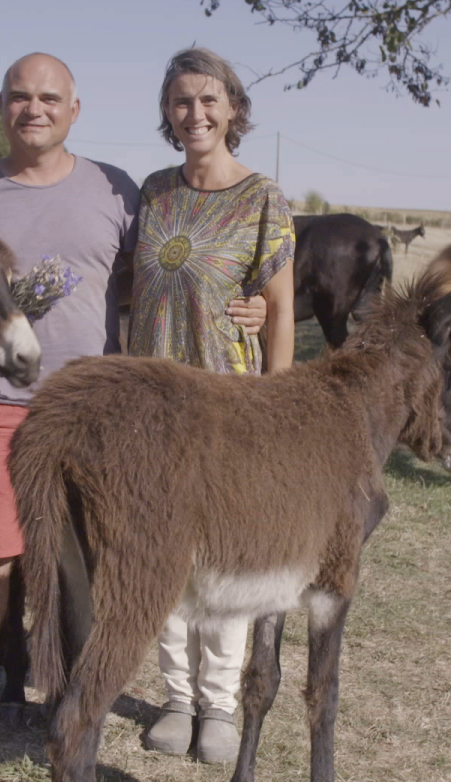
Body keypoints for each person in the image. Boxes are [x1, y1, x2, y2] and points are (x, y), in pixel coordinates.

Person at [0, 52, 267, 771]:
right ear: (1, 105)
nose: (35, 108)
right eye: (20, 96)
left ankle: (76, 702)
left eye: (49, 97)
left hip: (101, 418)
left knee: (96, 565)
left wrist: (246, 305)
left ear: (74, 109)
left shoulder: (116, 191)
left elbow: (158, 271)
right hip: (4, 406)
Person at [131, 47, 295, 765]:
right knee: (163, 558)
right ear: (167, 114)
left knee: (227, 562)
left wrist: (277, 408)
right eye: (180, 102)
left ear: (232, 108)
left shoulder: (263, 198)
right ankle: (175, 697)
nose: (194, 114)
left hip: (231, 405)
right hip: (153, 408)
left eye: (207, 101)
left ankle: (220, 707)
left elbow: (281, 311)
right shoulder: (152, 192)